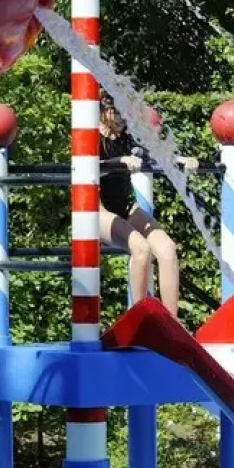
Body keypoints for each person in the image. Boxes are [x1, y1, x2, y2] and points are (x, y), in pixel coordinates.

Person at [97, 94, 191, 317]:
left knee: (167, 250)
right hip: (96, 210)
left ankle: (171, 323)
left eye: (125, 115)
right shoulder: (90, 137)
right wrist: (119, 162)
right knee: (141, 249)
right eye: (117, 114)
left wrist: (179, 160)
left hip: (127, 208)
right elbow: (89, 166)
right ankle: (137, 319)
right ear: (104, 111)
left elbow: (153, 155)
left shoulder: (125, 138)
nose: (122, 120)